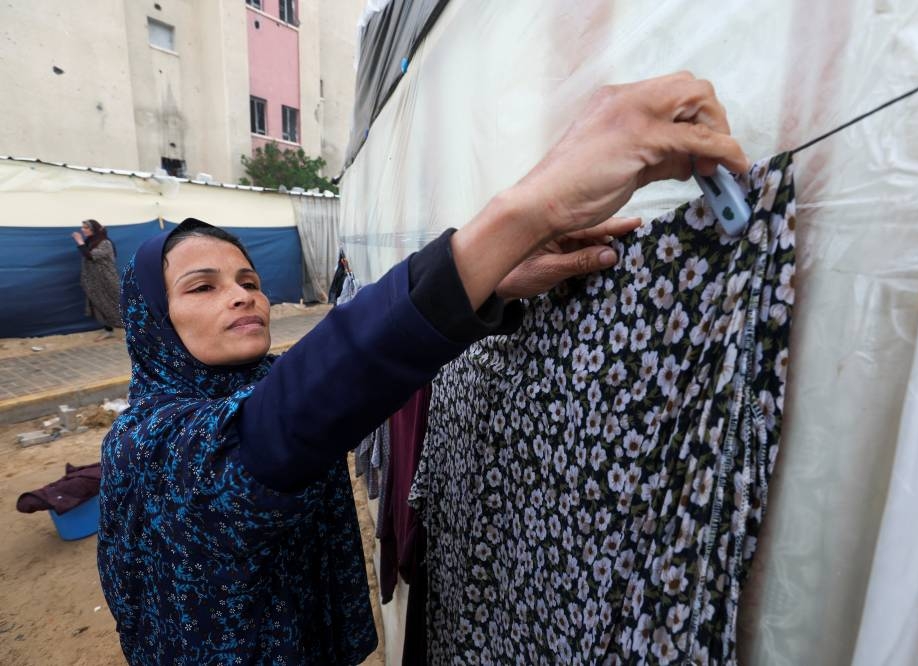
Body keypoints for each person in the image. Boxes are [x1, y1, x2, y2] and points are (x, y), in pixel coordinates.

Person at [97, 72, 748, 664]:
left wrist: (495, 281)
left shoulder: (261, 382)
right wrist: (528, 210)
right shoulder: (150, 440)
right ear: (153, 321)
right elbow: (283, 423)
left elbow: (344, 373)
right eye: (202, 287)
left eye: (247, 279)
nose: (243, 295)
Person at [72, 219, 123, 339]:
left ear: (93, 229)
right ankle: (108, 330)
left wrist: (79, 241)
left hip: (107, 279)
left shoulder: (105, 242)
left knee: (116, 303)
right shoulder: (90, 242)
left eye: (86, 228)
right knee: (99, 304)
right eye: (83, 227)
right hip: (95, 281)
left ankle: (131, 331)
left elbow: (90, 256)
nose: (83, 230)